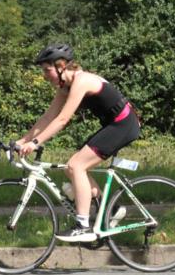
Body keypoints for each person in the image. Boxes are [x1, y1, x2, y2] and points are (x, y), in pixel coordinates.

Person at [15, 44, 140, 243]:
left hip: (124, 124)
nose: (44, 76)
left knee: (76, 166)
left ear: (61, 66)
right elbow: (48, 118)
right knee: (71, 169)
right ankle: (113, 210)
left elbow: (62, 119)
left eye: (47, 70)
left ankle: (82, 226)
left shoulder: (82, 81)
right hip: (114, 125)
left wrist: (36, 142)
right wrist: (22, 141)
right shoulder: (64, 87)